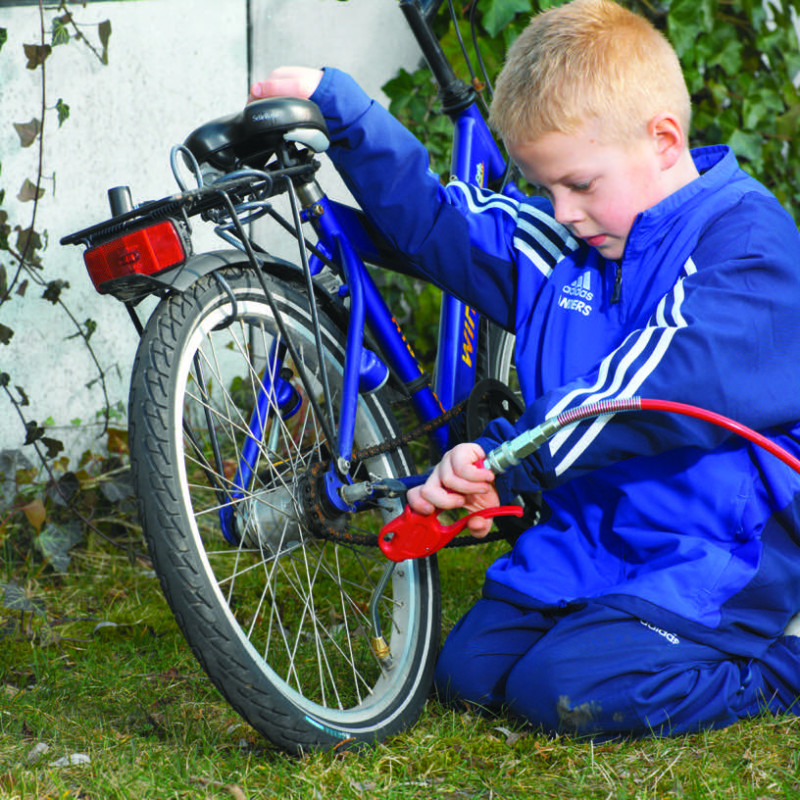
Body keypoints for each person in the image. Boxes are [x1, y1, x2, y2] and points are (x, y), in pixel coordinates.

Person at [250, 0, 800, 738]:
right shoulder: (567, 245)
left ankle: (779, 667)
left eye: (579, 183)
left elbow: (653, 386)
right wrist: (342, 111)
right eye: (545, 188)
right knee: (467, 674)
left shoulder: (746, 240)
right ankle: (608, 624)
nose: (563, 210)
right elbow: (435, 222)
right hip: (588, 538)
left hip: (717, 548)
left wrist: (504, 460)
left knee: (562, 688)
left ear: (663, 140)